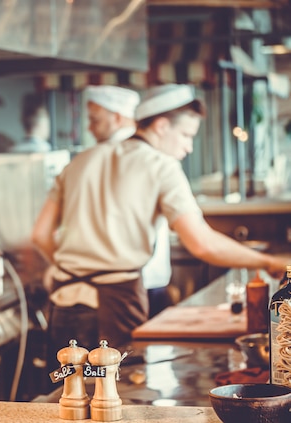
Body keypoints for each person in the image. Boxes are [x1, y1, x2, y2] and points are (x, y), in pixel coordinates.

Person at [32, 83, 289, 362]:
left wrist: (67, 266)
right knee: (117, 394)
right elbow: (202, 244)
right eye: (186, 135)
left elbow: (40, 234)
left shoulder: (80, 161)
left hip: (63, 303)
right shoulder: (161, 166)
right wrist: (268, 262)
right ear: (162, 126)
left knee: (67, 395)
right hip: (115, 304)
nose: (188, 147)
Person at [86, 85, 173, 317]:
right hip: (151, 278)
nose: (89, 127)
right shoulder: (154, 155)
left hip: (121, 285)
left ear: (116, 118)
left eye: (95, 120)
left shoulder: (100, 158)